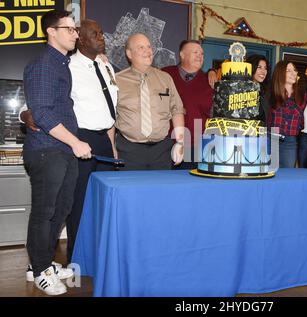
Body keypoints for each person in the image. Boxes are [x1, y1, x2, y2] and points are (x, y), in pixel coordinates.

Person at [21, 19, 119, 267]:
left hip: (103, 141)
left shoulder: (107, 67)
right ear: (81, 39)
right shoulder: (65, 65)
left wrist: (112, 144)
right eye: (93, 33)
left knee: (98, 203)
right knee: (74, 205)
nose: (101, 37)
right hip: (76, 139)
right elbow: (38, 104)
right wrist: (26, 114)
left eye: (101, 32)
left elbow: (109, 111)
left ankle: (99, 254)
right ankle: (77, 259)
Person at [22, 10, 92, 296]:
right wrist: (75, 142)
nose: (76, 34)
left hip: (63, 150)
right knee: (45, 212)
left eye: (75, 30)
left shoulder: (60, 64)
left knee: (60, 211)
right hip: (46, 151)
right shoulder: (43, 64)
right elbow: (41, 112)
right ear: (52, 31)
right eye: (70, 29)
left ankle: (39, 264)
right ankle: (40, 271)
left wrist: (71, 144)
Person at [115, 33, 185, 170]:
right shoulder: (117, 80)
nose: (148, 51)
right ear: (129, 53)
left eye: (149, 46)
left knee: (160, 191)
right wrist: (112, 148)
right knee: (131, 191)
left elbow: (177, 110)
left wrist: (180, 142)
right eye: (141, 47)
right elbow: (110, 117)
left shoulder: (165, 78)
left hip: (162, 151)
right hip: (129, 151)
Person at [162, 40, 213, 169]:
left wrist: (212, 71)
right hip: (167, 144)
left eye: (202, 53)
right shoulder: (165, 75)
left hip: (198, 147)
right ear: (182, 55)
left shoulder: (210, 80)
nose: (199, 56)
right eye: (195, 52)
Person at [269, 60, 305, 168]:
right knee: (269, 173)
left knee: (288, 174)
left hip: (290, 140)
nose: (293, 73)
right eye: (288, 70)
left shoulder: (303, 96)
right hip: (271, 138)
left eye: (294, 70)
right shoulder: (270, 93)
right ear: (280, 73)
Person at [246, 54, 270, 124]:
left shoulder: (265, 92)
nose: (263, 71)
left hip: (261, 132)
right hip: (242, 132)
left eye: (265, 68)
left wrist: (274, 134)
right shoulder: (241, 89)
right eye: (259, 67)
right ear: (252, 68)